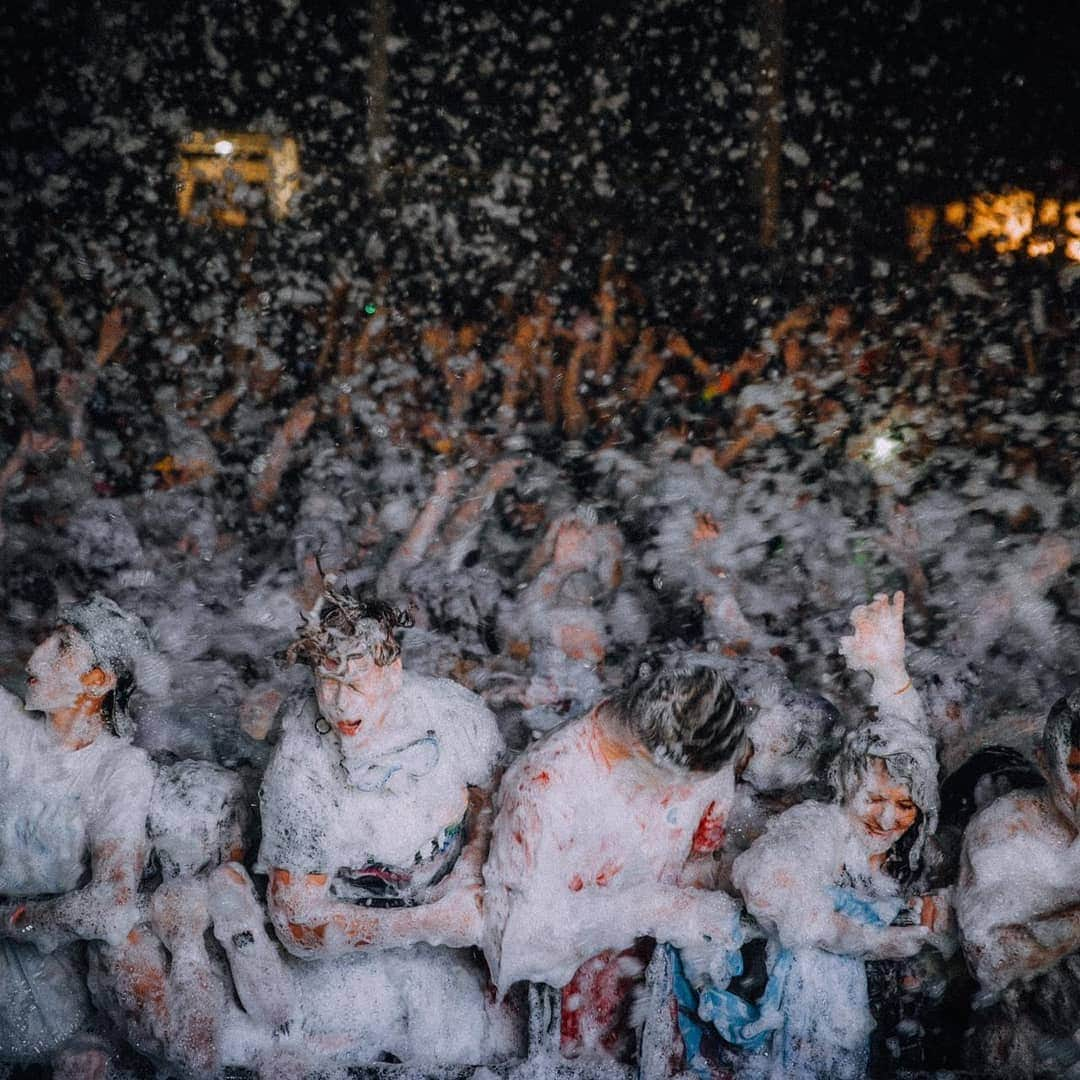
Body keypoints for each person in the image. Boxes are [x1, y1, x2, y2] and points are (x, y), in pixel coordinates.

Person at [720, 593, 948, 1080]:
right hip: (800, 1030)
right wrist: (870, 940)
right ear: (845, 787)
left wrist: (891, 673)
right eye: (874, 802)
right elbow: (765, 882)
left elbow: (906, 756)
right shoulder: (820, 825)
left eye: (905, 807)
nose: (888, 821)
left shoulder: (908, 832)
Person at [481, 662, 749, 1063]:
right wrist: (651, 908)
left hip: (662, 993)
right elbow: (517, 948)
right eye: (687, 781)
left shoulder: (704, 747)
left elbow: (703, 860)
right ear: (645, 753)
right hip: (560, 1016)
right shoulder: (546, 787)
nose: (704, 787)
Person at [257, 581, 504, 955]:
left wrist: (468, 870)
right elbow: (297, 923)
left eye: (354, 683)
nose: (340, 702)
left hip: (449, 888)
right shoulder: (301, 772)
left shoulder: (453, 714)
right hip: (365, 937)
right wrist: (433, 923)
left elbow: (491, 793)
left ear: (392, 673)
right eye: (327, 682)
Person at [0, 595, 155, 1074]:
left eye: (63, 646)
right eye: (47, 636)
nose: (37, 654)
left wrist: (14, 922)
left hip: (49, 998)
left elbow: (112, 900)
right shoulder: (8, 725)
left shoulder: (119, 771)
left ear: (99, 681)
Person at [956, 689, 1080, 1078]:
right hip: (1031, 1029)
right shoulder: (1007, 827)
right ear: (1047, 765)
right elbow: (991, 963)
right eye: (1078, 769)